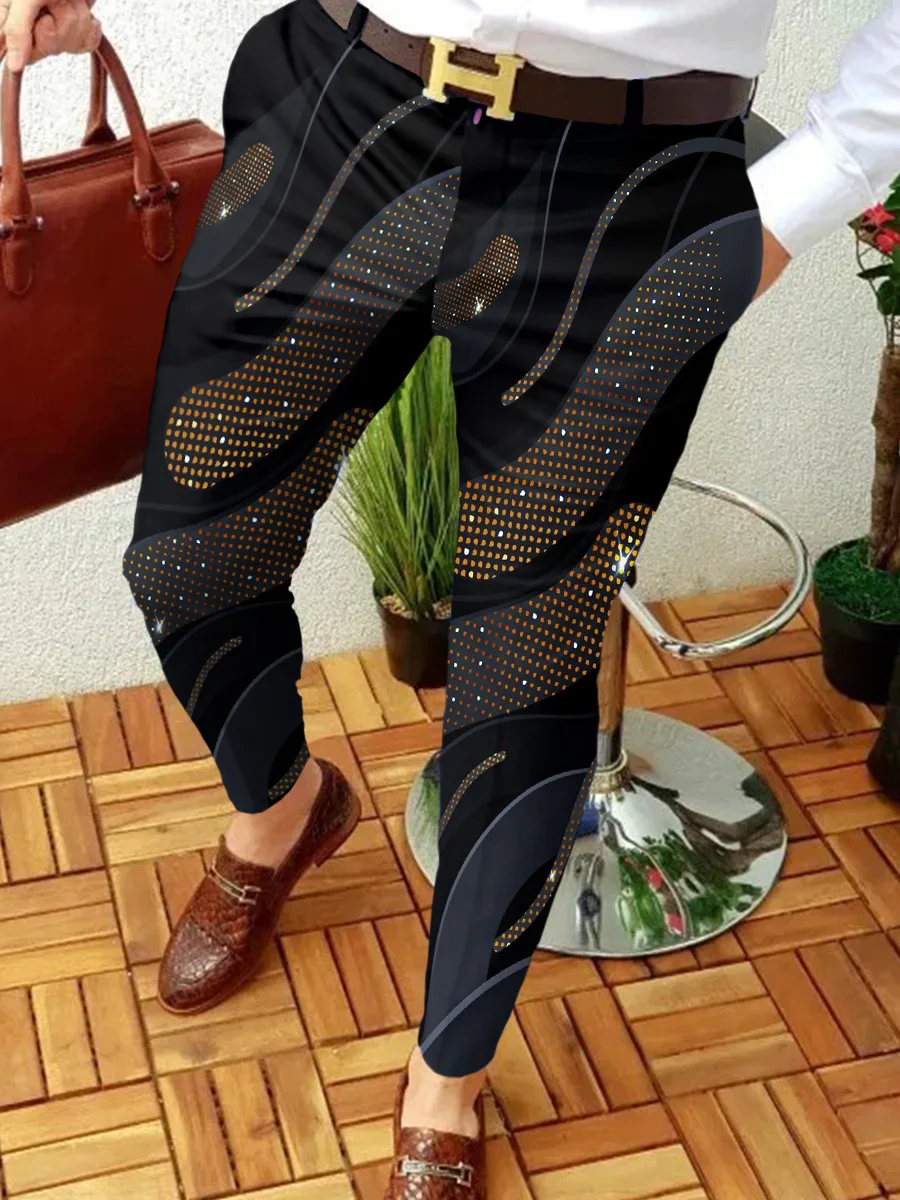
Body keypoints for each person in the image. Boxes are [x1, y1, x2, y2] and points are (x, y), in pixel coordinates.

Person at [3, 1, 898, 1196]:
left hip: (631, 180)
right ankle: (284, 812)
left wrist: (811, 184)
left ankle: (447, 1080)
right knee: (189, 559)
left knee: (527, 668)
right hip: (351, 92)